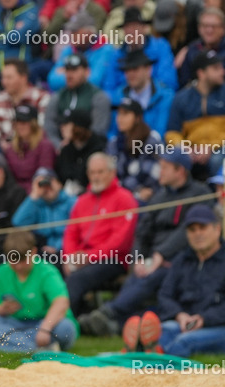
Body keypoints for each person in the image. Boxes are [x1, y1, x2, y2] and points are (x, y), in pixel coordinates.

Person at [78, 150, 210, 337]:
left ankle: (109, 313)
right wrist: (139, 258)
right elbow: (142, 233)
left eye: (164, 167)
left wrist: (160, 255)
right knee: (139, 275)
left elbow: (186, 232)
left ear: (180, 171)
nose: (159, 172)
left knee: (151, 276)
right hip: (151, 259)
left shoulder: (199, 194)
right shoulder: (159, 196)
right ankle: (113, 324)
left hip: (181, 260)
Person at [141, 205, 225, 357]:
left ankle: (153, 366)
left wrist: (204, 319)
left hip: (219, 326)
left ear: (217, 229)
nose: (197, 234)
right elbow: (165, 295)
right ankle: (148, 358)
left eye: (202, 228)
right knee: (164, 330)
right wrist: (180, 315)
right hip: (184, 323)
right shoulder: (182, 260)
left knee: (184, 342)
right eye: (192, 230)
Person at [0, 231, 78, 353]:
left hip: (44, 322)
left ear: (33, 252)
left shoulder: (47, 271)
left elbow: (61, 303)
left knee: (65, 328)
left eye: (22, 260)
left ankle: (11, 344)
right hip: (15, 324)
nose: (18, 266)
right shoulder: (0, 273)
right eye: (13, 261)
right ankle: (38, 348)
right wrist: (4, 308)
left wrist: (45, 328)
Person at [61, 153, 138, 316]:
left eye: (100, 172)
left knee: (77, 279)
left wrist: (87, 257)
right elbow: (70, 233)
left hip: (113, 260)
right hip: (81, 258)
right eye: (92, 172)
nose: (96, 177)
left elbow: (119, 243)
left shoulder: (124, 199)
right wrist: (70, 257)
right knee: (49, 269)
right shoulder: (82, 201)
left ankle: (61, 325)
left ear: (112, 173)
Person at [165, 48, 225, 180]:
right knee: (171, 159)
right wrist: (186, 149)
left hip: (220, 147)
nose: (222, 72)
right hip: (192, 150)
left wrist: (211, 147)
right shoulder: (182, 98)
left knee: (217, 159)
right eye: (216, 68)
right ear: (201, 73)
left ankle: (219, 197)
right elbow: (172, 132)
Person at [44, 54, 113, 144]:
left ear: (87, 72)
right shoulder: (58, 97)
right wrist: (59, 146)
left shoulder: (98, 97)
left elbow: (98, 130)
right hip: (61, 149)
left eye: (74, 70)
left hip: (88, 149)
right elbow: (49, 128)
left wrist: (76, 147)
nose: (69, 75)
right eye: (67, 70)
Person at [107, 97, 162, 201]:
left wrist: (132, 190)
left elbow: (153, 173)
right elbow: (110, 173)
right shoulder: (114, 142)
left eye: (125, 114)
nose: (120, 118)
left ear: (137, 118)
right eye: (119, 114)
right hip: (119, 195)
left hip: (147, 197)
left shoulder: (151, 140)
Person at [11, 168, 75, 253]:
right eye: (41, 184)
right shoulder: (35, 204)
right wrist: (33, 197)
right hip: (42, 250)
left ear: (59, 184)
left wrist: (58, 247)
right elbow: (18, 223)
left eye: (50, 181)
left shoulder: (71, 202)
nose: (47, 187)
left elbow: (77, 231)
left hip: (66, 249)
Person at [0, 59, 50, 144]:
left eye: (9, 78)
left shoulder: (42, 98)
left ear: (24, 78)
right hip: (4, 152)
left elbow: (43, 132)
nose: (4, 82)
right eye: (2, 77)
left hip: (34, 149)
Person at [2, 105, 56, 191]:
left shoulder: (45, 146)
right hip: (14, 193)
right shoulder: (11, 148)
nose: (20, 126)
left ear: (33, 124)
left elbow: (44, 177)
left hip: (36, 193)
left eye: (24, 122)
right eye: (17, 122)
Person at [54, 110, 108, 196]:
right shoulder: (66, 150)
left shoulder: (99, 148)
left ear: (78, 127)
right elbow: (59, 177)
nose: (62, 127)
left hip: (92, 196)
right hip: (66, 197)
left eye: (66, 124)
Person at [176, 7, 225, 87]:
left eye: (214, 26)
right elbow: (184, 81)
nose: (209, 30)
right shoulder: (192, 50)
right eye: (205, 26)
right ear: (199, 28)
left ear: (223, 29)